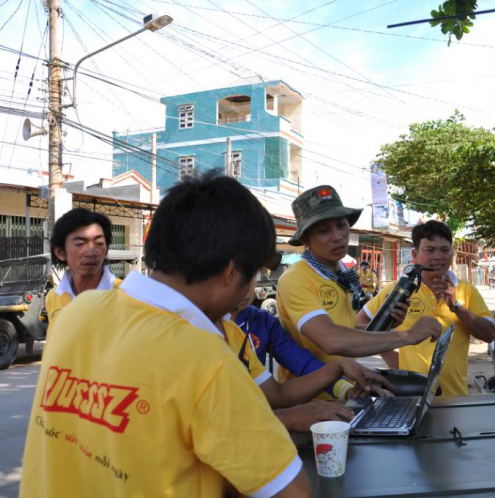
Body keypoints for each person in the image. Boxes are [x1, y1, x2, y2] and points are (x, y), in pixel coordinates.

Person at [20, 172, 311, 497]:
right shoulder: (207, 361)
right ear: (231, 271)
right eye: (252, 274)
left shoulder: (76, 313)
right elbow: (293, 492)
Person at [275, 185, 441, 390]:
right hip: (309, 405)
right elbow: (332, 340)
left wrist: (389, 325)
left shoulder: (341, 274)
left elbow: (346, 331)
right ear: (306, 238)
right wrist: (407, 336)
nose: (337, 236)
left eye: (341, 225)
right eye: (324, 230)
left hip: (347, 395)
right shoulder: (296, 279)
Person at [357, 220, 495, 397]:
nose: (438, 256)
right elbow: (361, 321)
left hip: (455, 398)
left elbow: (489, 334)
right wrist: (387, 352)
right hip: (410, 396)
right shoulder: (398, 290)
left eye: (444, 250)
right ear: (415, 255)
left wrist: (457, 306)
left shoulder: (466, 290)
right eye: (430, 250)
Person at [228, 283, 392, 432]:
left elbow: (296, 369)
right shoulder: (207, 331)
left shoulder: (260, 321)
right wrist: (287, 417)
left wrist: (346, 388)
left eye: (251, 273)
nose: (245, 286)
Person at [45, 208, 121, 329]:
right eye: (80, 244)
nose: (92, 252)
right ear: (60, 252)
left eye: (99, 243)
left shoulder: (126, 295)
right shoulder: (53, 297)